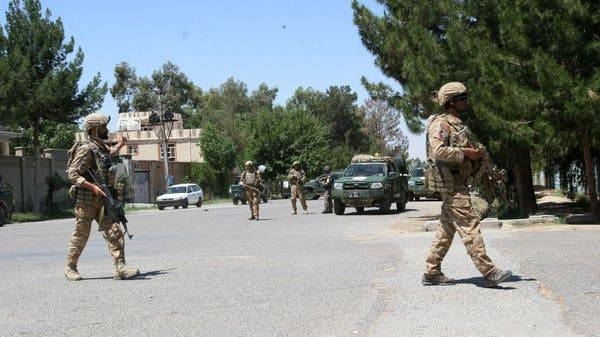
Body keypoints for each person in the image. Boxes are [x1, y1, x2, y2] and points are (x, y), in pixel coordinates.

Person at [422, 82, 512, 288]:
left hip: (458, 182)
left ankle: (431, 272)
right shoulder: (441, 124)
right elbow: (438, 151)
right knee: (469, 225)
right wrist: (465, 154)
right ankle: (489, 272)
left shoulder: (457, 124)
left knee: (446, 229)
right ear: (451, 102)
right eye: (462, 99)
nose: (466, 102)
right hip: (452, 184)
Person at [64, 112, 140, 281]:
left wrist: (121, 143)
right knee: (81, 235)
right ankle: (70, 267)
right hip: (86, 201)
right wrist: (91, 186)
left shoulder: (100, 147)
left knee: (115, 232)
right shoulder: (86, 148)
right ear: (95, 130)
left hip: (103, 200)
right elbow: (72, 174)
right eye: (103, 127)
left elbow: (107, 155)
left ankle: (120, 268)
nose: (107, 130)